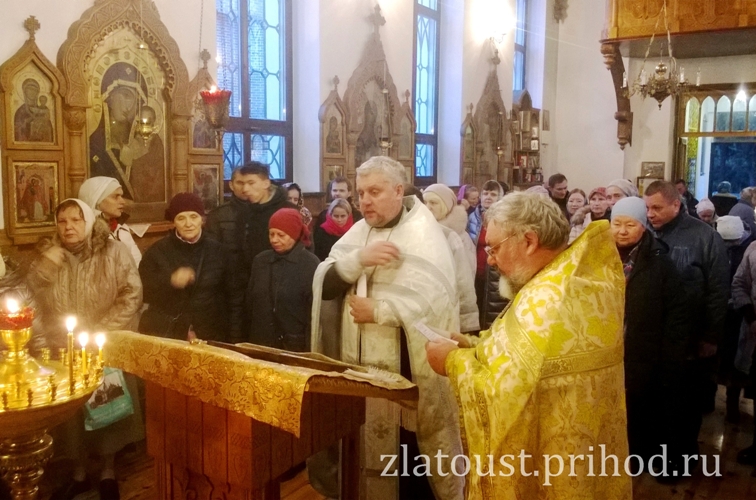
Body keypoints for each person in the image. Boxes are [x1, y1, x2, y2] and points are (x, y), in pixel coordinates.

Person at [425, 193, 631, 499]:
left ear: (529, 241)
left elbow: (506, 391)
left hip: (551, 465)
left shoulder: (547, 299)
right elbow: (525, 352)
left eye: (494, 248)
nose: (490, 259)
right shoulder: (575, 279)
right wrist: (471, 344)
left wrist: (452, 362)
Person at [310, 156, 463, 500]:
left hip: (406, 376)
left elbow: (437, 305)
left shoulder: (425, 235)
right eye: (361, 193)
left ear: (398, 190)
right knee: (360, 456)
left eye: (374, 192)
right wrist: (356, 261)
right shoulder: (358, 232)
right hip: (357, 373)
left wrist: (380, 310)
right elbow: (325, 285)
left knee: (409, 467)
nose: (364, 200)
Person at [28, 198, 143, 500]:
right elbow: (32, 297)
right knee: (72, 418)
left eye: (76, 220)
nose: (68, 227)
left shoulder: (113, 251)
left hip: (103, 344)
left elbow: (131, 294)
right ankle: (78, 474)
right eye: (62, 221)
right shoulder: (48, 255)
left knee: (108, 408)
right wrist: (46, 266)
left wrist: (99, 331)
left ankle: (108, 471)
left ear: (89, 221)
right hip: (62, 348)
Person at [644, 180, 729, 464]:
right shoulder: (646, 234)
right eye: (647, 208)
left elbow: (718, 290)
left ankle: (681, 458)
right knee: (656, 400)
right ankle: (655, 455)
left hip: (692, 336)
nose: (651, 214)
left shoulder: (705, 237)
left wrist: (711, 336)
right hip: (654, 336)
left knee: (685, 401)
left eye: (657, 208)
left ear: (675, 205)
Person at [610, 197, 689, 468]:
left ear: (643, 226)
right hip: (607, 347)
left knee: (640, 405)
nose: (622, 231)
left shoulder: (659, 261)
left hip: (643, 349)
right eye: (617, 224)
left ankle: (638, 456)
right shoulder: (598, 257)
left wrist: (671, 352)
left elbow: (676, 312)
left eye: (630, 225)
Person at [138, 193, 243, 342]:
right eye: (181, 218)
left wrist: (235, 339)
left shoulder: (219, 251)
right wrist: (170, 281)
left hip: (212, 334)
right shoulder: (156, 252)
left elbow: (234, 298)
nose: (188, 224)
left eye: (194, 217)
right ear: (173, 222)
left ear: (202, 219)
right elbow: (144, 293)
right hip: (170, 335)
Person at [88, 62, 165, 203]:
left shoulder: (148, 142)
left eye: (136, 101)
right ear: (109, 96)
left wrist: (138, 161)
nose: (129, 106)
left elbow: (156, 187)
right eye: (125, 95)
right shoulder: (95, 143)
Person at [247, 208, 319, 351]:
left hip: (295, 347)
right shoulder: (261, 261)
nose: (274, 240)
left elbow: (313, 315)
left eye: (281, 235)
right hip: (261, 342)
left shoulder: (311, 264)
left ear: (294, 234)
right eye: (271, 234)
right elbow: (250, 303)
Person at [423, 183, 479, 332]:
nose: (428, 207)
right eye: (425, 202)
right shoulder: (424, 231)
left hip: (451, 310)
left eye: (434, 202)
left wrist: (467, 321)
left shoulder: (458, 236)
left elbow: (465, 280)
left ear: (446, 205)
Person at [467, 180, 507, 329]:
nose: (488, 197)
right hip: (475, 272)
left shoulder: (505, 219)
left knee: (492, 311)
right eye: (485, 193)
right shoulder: (471, 217)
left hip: (495, 272)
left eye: (493, 194)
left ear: (500, 197)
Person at [79, 176, 142, 266]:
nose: (122, 201)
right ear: (97, 201)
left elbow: (137, 262)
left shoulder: (121, 228)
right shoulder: (86, 231)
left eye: (121, 196)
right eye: (116, 197)